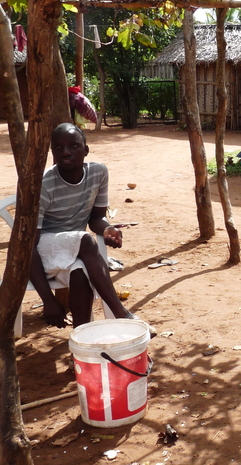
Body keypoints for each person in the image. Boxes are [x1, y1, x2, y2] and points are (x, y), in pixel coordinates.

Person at [30, 123, 154, 333]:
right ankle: (122, 314)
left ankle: (80, 340)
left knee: (80, 275)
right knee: (86, 240)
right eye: (58, 148)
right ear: (52, 152)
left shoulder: (98, 173)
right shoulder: (44, 185)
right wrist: (48, 300)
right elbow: (29, 247)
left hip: (72, 249)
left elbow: (96, 217)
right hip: (44, 249)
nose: (66, 152)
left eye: (73, 145)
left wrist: (106, 229)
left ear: (85, 150)